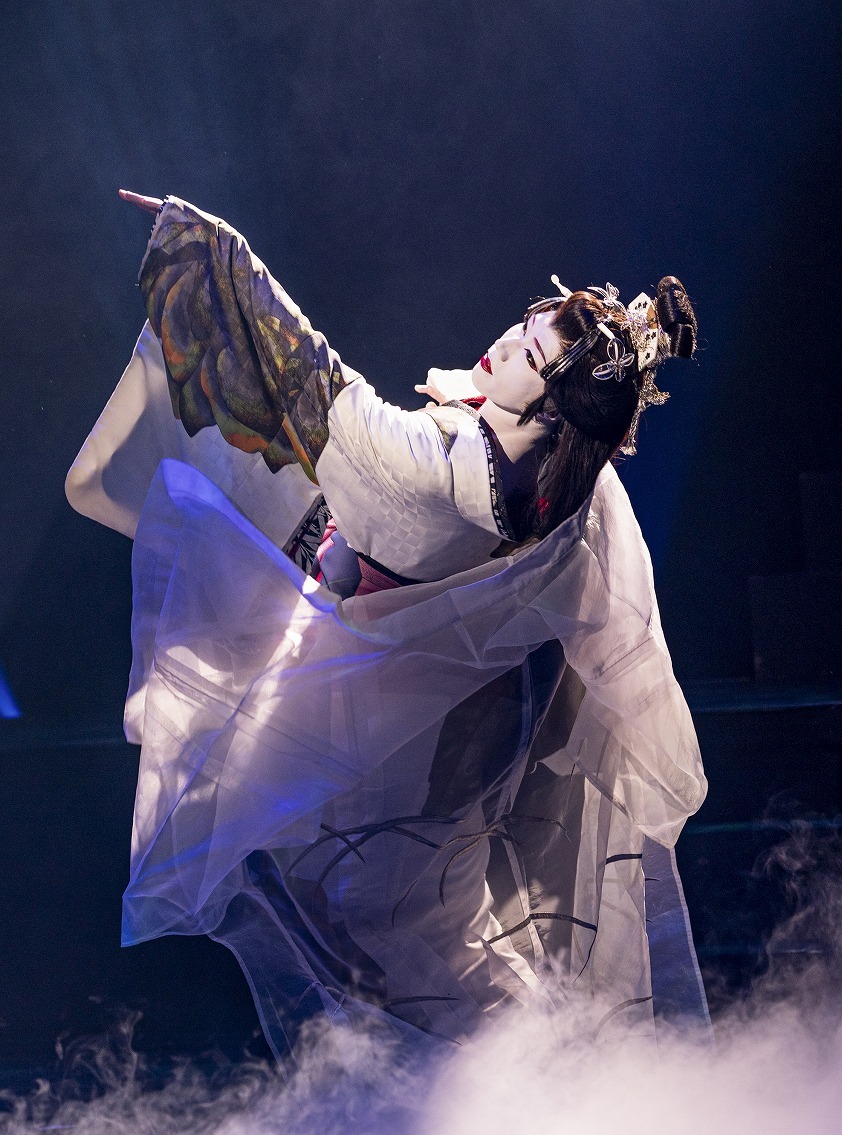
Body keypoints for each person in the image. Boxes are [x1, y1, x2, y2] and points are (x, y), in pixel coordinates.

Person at [66, 192, 710, 1059]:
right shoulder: (570, 484)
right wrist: (599, 354)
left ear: (551, 407)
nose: (504, 340)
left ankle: (526, 1094)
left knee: (386, 924)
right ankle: (532, 1087)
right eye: (523, 326)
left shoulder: (428, 471)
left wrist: (213, 247)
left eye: (523, 350)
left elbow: (310, 375)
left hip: (357, 714)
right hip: (446, 715)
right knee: (410, 923)